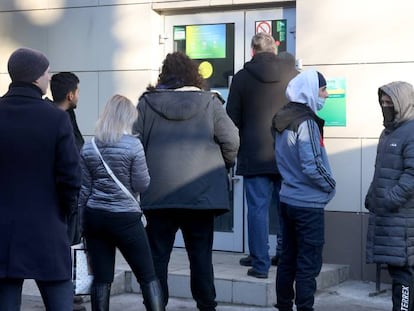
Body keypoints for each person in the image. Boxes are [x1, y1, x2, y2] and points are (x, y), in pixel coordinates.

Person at [134, 51, 239, 311]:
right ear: (194, 73)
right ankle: (206, 306)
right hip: (201, 195)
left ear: (164, 74)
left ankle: (156, 306)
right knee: (201, 257)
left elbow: (133, 144)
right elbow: (232, 140)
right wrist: (220, 166)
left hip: (158, 194)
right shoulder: (210, 102)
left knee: (157, 257)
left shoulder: (147, 103)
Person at [0, 47, 81, 310]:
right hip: (47, 226)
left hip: (3, 231)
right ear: (36, 77)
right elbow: (71, 177)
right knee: (59, 299)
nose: (49, 77)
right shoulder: (56, 118)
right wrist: (65, 212)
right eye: (47, 72)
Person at [79, 94, 164, 311]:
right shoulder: (133, 146)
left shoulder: (89, 148)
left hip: (95, 217)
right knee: (147, 275)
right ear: (127, 118)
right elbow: (142, 184)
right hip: (125, 218)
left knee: (102, 278)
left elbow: (85, 190)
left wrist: (82, 224)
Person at [226, 33, 298, 278]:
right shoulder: (292, 76)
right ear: (274, 50)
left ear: (252, 51)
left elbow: (231, 118)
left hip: (254, 153)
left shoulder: (241, 78)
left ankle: (260, 263)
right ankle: (283, 255)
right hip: (286, 153)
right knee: (285, 208)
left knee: (256, 209)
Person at [272, 69, 336, 311]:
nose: (326, 95)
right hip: (308, 204)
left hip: (287, 199)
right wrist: (331, 185)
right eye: (322, 89)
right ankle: (305, 307)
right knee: (308, 264)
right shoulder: (306, 122)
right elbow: (312, 165)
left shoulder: (282, 116)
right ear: (310, 91)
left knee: (287, 260)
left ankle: (285, 306)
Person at [365, 81, 414, 311]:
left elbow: (412, 174)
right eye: (382, 103)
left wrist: (390, 198)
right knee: (399, 271)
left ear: (402, 104)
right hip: (388, 218)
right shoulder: (388, 132)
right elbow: (381, 172)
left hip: (403, 219)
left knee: (403, 274)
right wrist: (371, 196)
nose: (385, 107)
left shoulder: (411, 132)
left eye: (390, 103)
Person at [50, 71, 86, 311]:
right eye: (78, 91)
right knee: (65, 245)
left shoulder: (68, 116)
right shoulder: (55, 119)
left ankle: (76, 291)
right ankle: (69, 294)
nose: (79, 95)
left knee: (74, 242)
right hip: (62, 193)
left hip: (71, 192)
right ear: (71, 94)